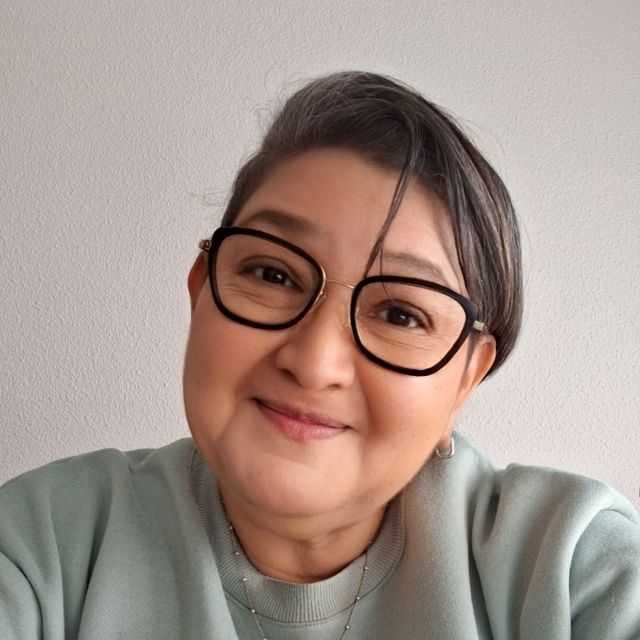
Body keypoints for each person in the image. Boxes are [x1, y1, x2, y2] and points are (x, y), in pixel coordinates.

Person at [1, 71, 639, 640]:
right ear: (201, 292)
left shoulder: (569, 568)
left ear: (466, 379)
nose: (313, 363)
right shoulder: (44, 546)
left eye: (400, 314)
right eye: (272, 274)